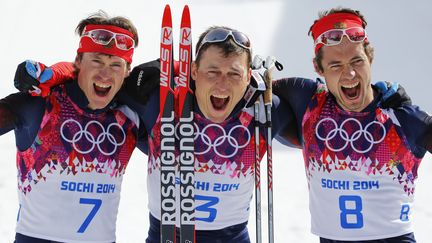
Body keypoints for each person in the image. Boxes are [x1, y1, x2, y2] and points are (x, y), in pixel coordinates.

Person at [13, 25, 410, 242]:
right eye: (211, 73)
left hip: (233, 238)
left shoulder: (265, 110)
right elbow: (100, 79)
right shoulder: (154, 102)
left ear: (249, 79)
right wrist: (57, 73)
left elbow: (331, 114)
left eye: (234, 75)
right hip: (167, 234)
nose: (221, 85)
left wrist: (383, 101)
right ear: (191, 74)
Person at [272, 7, 432, 242]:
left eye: (357, 60)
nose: (350, 74)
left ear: (370, 58)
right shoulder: (307, 102)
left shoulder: (402, 117)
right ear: (319, 68)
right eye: (335, 65)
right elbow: (244, 88)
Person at [2, 11, 146, 243]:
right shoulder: (41, 103)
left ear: (128, 71)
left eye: (116, 65)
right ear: (78, 62)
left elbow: (172, 159)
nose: (105, 74)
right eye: (96, 61)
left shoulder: (130, 117)